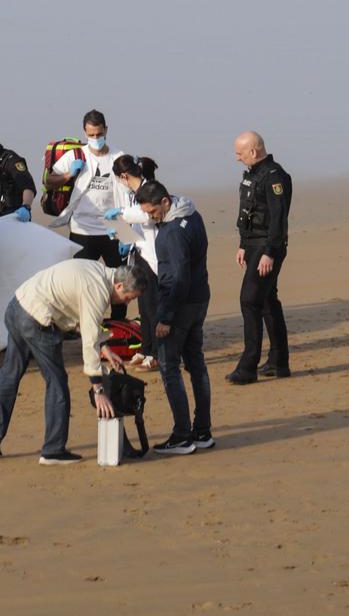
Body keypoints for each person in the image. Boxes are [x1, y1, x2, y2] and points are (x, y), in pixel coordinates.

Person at [0, 259, 142, 464]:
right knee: (57, 381)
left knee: (10, 372)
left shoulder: (99, 272)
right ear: (119, 285)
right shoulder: (96, 289)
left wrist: (104, 348)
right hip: (38, 319)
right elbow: (88, 339)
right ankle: (53, 450)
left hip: (18, 305)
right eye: (127, 298)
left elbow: (82, 316)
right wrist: (98, 389)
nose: (126, 303)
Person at [136, 180, 213, 453]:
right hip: (199, 298)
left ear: (166, 203)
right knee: (197, 364)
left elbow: (178, 277)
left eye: (153, 211)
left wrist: (166, 317)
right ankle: (203, 430)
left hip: (179, 305)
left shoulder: (171, 233)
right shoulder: (192, 213)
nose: (150, 217)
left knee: (170, 368)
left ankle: (182, 435)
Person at [228, 130, 294, 384]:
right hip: (254, 246)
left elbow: (278, 219)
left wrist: (269, 253)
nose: (237, 158)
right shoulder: (253, 175)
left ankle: (248, 366)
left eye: (239, 153)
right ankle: (279, 362)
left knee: (249, 300)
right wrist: (243, 245)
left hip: (268, 248)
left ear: (253, 151)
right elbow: (249, 212)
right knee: (267, 301)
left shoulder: (275, 176)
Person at [54, 110, 129, 262]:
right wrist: (68, 174)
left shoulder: (119, 156)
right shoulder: (75, 155)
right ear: (85, 133)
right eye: (91, 135)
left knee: (123, 279)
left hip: (114, 227)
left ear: (106, 130)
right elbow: (49, 181)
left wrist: (127, 234)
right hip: (82, 228)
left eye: (99, 134)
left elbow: (130, 191)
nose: (96, 138)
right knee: (80, 280)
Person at [107, 154, 163, 350]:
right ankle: (146, 349)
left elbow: (148, 215)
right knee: (143, 306)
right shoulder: (133, 192)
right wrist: (122, 234)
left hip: (151, 253)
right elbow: (136, 223)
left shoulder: (149, 189)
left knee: (152, 305)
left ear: (123, 176)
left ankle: (155, 352)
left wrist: (121, 214)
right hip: (138, 250)